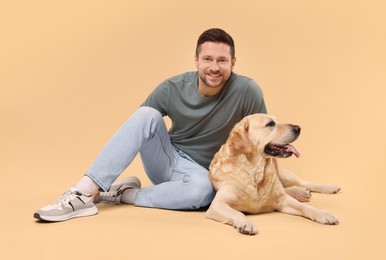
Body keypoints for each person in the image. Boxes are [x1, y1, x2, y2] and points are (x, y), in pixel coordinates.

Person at [34, 28, 267, 222]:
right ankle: (83, 192)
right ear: (196, 60)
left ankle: (123, 194)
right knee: (146, 114)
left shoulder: (247, 91)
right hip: (167, 161)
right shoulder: (172, 88)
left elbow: (262, 142)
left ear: (233, 62)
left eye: (222, 60)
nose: (214, 67)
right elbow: (138, 127)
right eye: (207, 59)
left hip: (204, 175)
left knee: (204, 192)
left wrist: (273, 189)